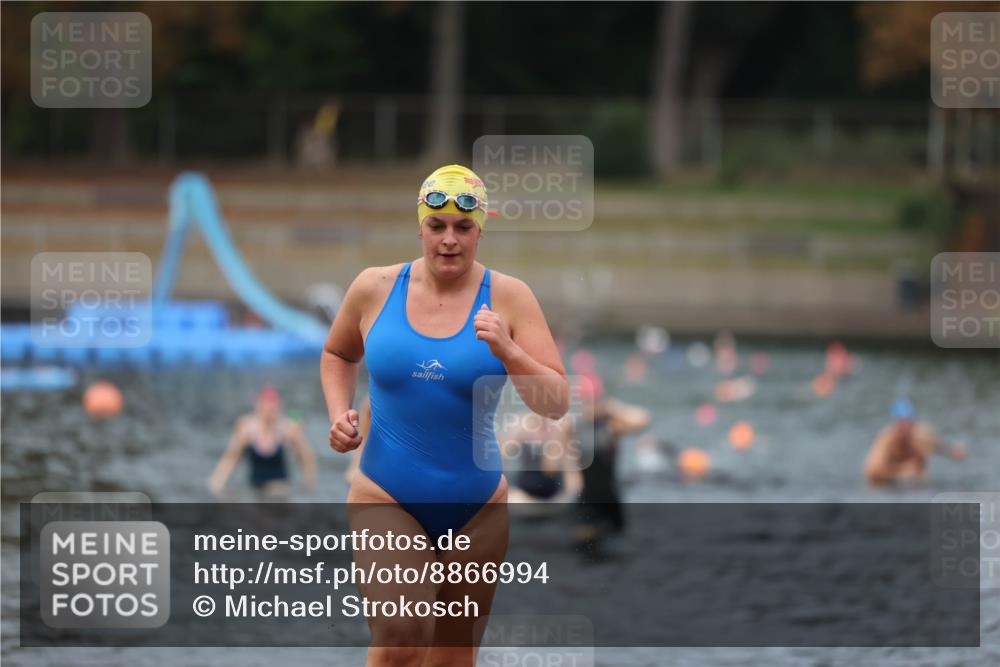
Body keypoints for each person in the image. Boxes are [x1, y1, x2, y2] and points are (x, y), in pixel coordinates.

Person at [321, 164, 569, 666]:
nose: (449, 241)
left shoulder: (510, 297)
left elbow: (557, 401)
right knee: (401, 634)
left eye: (463, 228)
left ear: (481, 230)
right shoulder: (375, 287)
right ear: (420, 227)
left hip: (477, 510)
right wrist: (340, 413)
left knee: (451, 660)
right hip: (385, 495)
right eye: (437, 227)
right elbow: (339, 354)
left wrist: (509, 351)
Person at [573, 372, 651, 546]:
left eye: (595, 401)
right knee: (585, 543)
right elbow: (558, 463)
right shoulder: (574, 427)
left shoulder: (611, 425)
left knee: (618, 541)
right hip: (586, 498)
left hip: (611, 497)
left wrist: (614, 409)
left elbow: (643, 420)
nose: (591, 406)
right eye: (586, 401)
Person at [208, 385, 317, 499]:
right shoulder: (247, 428)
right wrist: (217, 482)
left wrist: (308, 487)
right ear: (258, 406)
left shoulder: (288, 429)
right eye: (267, 404)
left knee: (277, 496)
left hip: (279, 488)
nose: (270, 409)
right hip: (254, 488)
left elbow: (307, 458)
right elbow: (231, 458)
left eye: (273, 405)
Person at [863, 397, 967, 487]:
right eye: (901, 423)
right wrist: (900, 472)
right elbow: (872, 472)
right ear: (895, 423)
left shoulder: (920, 434)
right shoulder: (885, 439)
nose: (905, 428)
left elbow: (940, 446)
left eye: (908, 422)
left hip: (917, 485)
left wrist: (953, 451)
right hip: (891, 485)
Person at [501, 410, 583, 505]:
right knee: (515, 497)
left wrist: (557, 437)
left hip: (551, 492)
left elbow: (550, 469)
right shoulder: (521, 425)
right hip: (523, 491)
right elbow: (501, 458)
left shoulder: (560, 430)